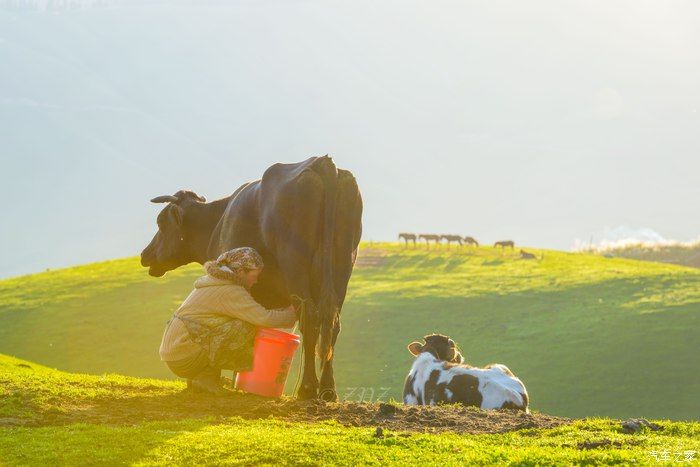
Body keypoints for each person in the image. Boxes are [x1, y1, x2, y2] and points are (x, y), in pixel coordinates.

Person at [159, 247, 297, 394]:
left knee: (230, 326)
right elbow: (263, 318)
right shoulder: (230, 290)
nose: (256, 281)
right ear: (240, 272)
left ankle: (202, 377)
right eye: (254, 275)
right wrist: (295, 313)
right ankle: (205, 377)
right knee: (245, 326)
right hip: (184, 357)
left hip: (177, 353)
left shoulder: (216, 281)